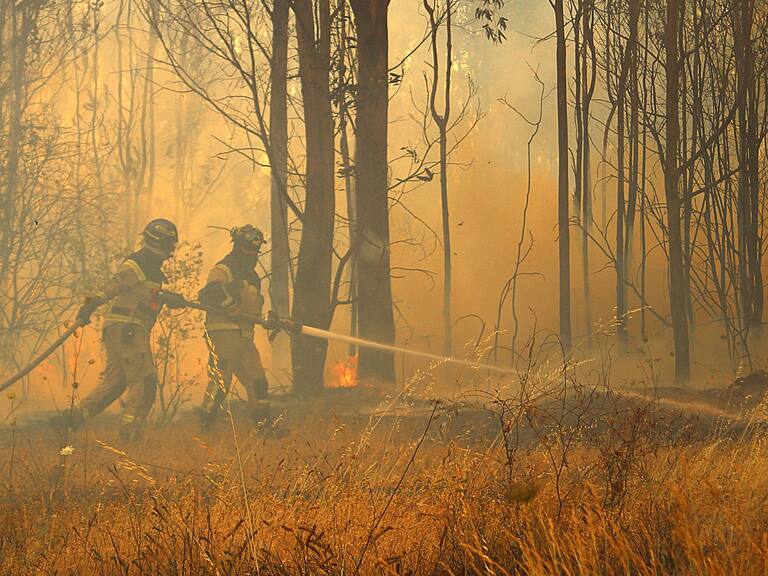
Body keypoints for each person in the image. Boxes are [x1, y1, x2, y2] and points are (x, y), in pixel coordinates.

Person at [65, 218, 186, 440]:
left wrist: (166, 297)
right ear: (160, 241)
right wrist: (90, 305)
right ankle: (131, 432)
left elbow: (144, 295)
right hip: (128, 330)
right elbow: (113, 286)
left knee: (116, 382)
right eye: (171, 243)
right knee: (145, 380)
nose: (172, 248)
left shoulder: (152, 269)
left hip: (123, 331)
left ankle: (70, 420)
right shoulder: (137, 263)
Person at [197, 224, 271, 425]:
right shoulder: (225, 268)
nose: (253, 253)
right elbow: (209, 292)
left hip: (245, 337)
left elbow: (252, 309)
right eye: (248, 248)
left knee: (258, 381)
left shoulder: (253, 277)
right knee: (222, 380)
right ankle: (205, 424)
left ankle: (263, 427)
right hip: (224, 333)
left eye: (256, 249)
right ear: (238, 246)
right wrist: (231, 307)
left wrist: (270, 319)